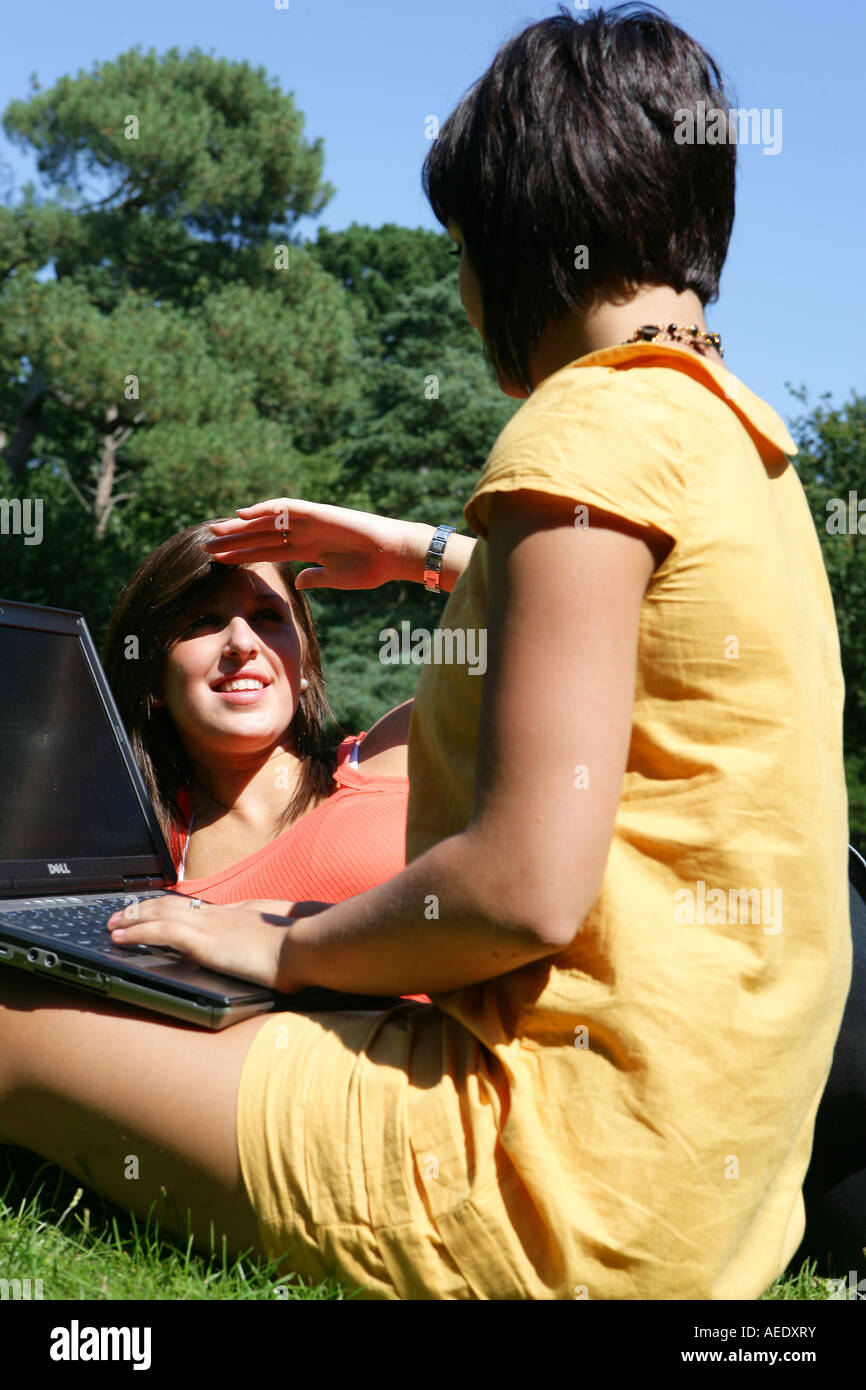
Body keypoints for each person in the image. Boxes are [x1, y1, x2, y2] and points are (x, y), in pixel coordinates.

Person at [0, 4, 850, 1300]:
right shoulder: (749, 453)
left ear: (513, 232)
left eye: (460, 251)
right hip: (707, 1194)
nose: (459, 294)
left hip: (544, 1181)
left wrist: (279, 948)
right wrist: (412, 548)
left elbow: (518, 889)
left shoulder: (584, 429)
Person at [102, 519, 432, 1005]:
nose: (241, 642)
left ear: (303, 666)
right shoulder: (132, 861)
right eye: (201, 621)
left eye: (268, 617)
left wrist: (412, 550)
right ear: (152, 682)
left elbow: (572, 626)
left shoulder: (398, 754)